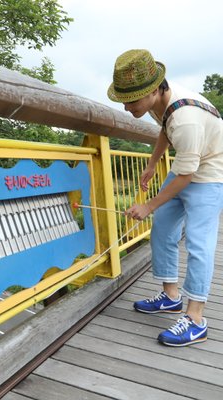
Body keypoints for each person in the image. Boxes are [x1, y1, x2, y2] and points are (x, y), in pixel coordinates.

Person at [107, 49, 223, 346]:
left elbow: (186, 175)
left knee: (199, 242)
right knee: (163, 228)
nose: (125, 106)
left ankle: (196, 319)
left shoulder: (186, 118)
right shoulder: (162, 103)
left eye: (131, 100)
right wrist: (150, 164)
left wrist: (148, 205)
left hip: (210, 173)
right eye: (124, 98)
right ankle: (171, 297)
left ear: (154, 90)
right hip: (188, 162)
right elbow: (164, 132)